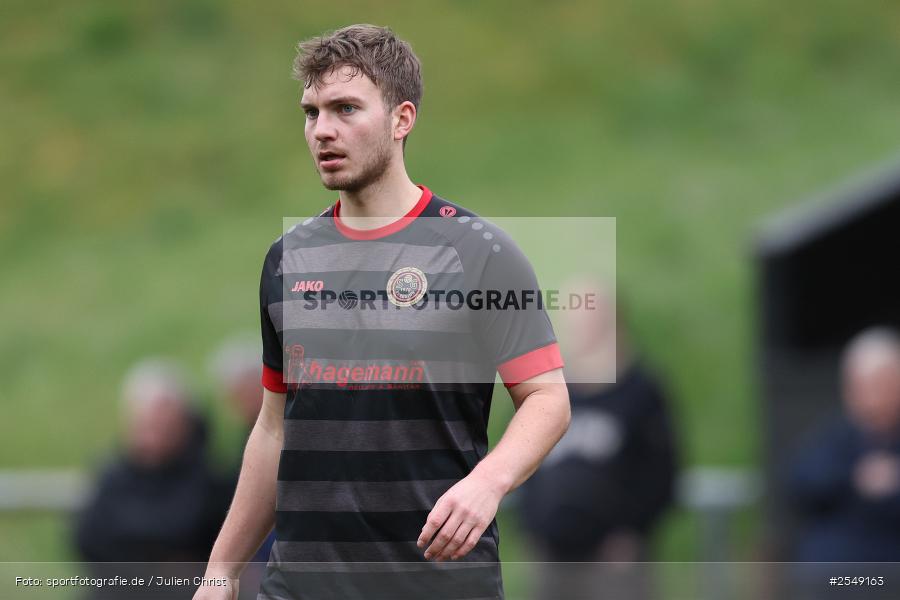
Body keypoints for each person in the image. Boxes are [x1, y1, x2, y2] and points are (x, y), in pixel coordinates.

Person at [194, 25, 570, 600]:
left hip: (435, 582)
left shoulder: (479, 253)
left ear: (402, 119)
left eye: (346, 109)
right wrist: (222, 569)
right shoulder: (288, 259)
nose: (323, 130)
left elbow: (547, 398)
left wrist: (487, 483)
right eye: (312, 112)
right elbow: (274, 428)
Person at [518, 281, 678, 600]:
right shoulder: (548, 389)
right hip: (554, 554)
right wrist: (532, 529)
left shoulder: (640, 391)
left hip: (614, 558)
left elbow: (662, 471)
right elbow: (520, 459)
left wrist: (633, 531)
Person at [74, 359, 229, 598]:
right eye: (147, 424)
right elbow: (88, 538)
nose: (153, 435)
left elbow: (195, 532)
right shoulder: (112, 476)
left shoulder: (207, 479)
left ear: (184, 424)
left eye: (163, 425)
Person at [787, 327, 900, 562]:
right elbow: (802, 485)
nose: (873, 395)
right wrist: (856, 478)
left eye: (882, 383)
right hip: (840, 571)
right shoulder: (834, 438)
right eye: (863, 385)